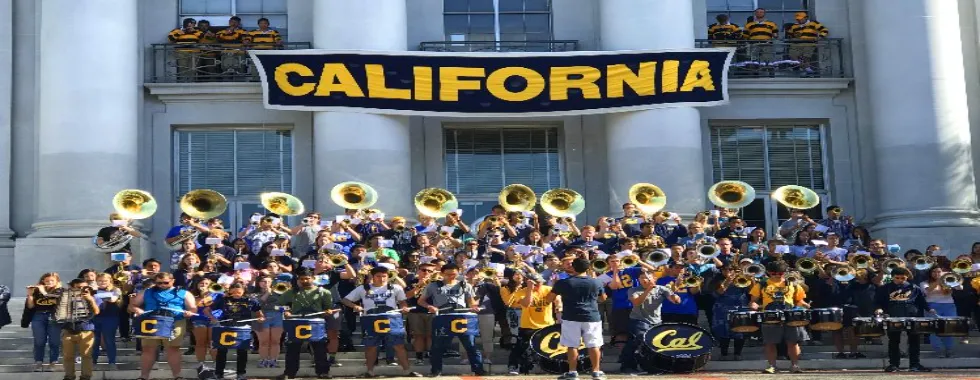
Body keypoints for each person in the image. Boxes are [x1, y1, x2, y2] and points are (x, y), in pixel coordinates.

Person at [341, 266, 423, 377]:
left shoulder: (396, 287)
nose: (381, 279)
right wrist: (355, 306)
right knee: (371, 346)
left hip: (392, 319)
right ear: (372, 276)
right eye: (378, 276)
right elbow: (345, 300)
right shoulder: (363, 288)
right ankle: (369, 371)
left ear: (388, 277)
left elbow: (402, 302)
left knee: (399, 345)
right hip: (370, 319)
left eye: (384, 276)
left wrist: (404, 308)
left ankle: (407, 371)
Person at [418, 263, 486, 376]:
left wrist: (474, 307)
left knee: (470, 344)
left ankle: (478, 369)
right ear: (442, 274)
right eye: (448, 274)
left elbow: (471, 303)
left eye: (454, 274)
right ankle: (436, 370)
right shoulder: (433, 285)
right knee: (438, 346)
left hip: (462, 317)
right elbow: (421, 301)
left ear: (458, 273)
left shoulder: (465, 285)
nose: (451, 277)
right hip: (443, 317)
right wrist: (429, 306)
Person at [545, 257, 607, 380]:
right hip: (592, 316)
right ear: (588, 268)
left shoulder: (564, 282)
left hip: (571, 316)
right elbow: (603, 298)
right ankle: (596, 372)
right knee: (594, 344)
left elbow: (549, 299)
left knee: (572, 345)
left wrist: (555, 286)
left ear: (573, 267)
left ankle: (573, 372)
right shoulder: (596, 282)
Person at [128, 272, 198, 380]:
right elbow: (133, 305)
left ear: (172, 281)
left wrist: (189, 312)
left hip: (175, 322)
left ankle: (177, 376)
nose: (162, 285)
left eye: (165, 282)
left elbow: (193, 308)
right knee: (148, 349)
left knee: (173, 349)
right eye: (159, 283)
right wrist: (138, 310)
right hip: (151, 322)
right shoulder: (147, 292)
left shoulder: (183, 292)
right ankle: (143, 376)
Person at [749, 261, 808, 374]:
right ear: (768, 273)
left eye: (780, 273)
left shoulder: (793, 284)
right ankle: (772, 366)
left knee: (793, 342)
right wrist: (753, 305)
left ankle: (795, 365)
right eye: (773, 273)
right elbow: (753, 301)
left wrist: (805, 305)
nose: (776, 275)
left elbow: (799, 300)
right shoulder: (761, 284)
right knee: (770, 342)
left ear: (785, 273)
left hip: (790, 315)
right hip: (769, 315)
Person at [275, 267, 334, 380]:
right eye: (302, 279)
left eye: (307, 278)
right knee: (293, 348)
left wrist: (328, 311)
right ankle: (289, 373)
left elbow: (328, 308)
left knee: (319, 348)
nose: (304, 281)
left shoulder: (323, 292)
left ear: (313, 278)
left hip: (316, 322)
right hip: (296, 322)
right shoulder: (291, 292)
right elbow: (278, 305)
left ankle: (323, 372)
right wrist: (286, 310)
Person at [873, 266, 933, 372]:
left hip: (912, 316)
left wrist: (929, 309)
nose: (900, 280)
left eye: (903, 278)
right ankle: (893, 364)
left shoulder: (914, 288)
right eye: (897, 278)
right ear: (892, 277)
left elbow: (921, 301)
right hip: (893, 316)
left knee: (914, 341)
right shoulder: (885, 288)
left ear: (906, 277)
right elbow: (878, 302)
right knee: (894, 341)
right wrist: (878, 309)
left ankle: (915, 364)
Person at [619, 270, 680, 374]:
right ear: (638, 280)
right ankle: (627, 366)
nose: (644, 280)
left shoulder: (662, 289)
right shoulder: (633, 290)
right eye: (642, 278)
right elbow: (637, 302)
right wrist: (648, 290)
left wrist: (675, 295)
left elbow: (676, 301)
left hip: (656, 322)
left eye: (647, 277)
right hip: (638, 320)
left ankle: (652, 367)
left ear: (654, 279)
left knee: (655, 345)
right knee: (635, 342)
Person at [205, 282, 264, 380]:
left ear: (243, 291)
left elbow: (260, 314)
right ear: (230, 291)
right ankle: (219, 374)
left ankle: (241, 374)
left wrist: (260, 318)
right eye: (234, 292)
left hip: (243, 328)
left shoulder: (250, 300)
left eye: (239, 292)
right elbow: (206, 310)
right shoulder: (223, 300)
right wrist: (213, 318)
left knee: (242, 351)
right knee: (221, 351)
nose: (236, 294)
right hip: (225, 328)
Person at [58, 279, 102, 380]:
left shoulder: (94, 297)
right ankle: (69, 376)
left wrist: (90, 299)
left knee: (86, 355)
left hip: (86, 329)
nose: (81, 289)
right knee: (68, 356)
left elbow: (96, 311)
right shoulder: (65, 298)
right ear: (72, 287)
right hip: (68, 329)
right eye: (78, 287)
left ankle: (86, 376)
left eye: (84, 287)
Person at [26, 272, 63, 372]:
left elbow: (57, 300)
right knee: (39, 341)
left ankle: (53, 362)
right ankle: (38, 362)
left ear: (57, 281)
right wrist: (30, 294)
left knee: (54, 341)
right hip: (39, 315)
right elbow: (30, 306)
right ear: (43, 281)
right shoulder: (37, 291)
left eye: (52, 280)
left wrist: (44, 292)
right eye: (47, 281)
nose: (49, 282)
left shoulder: (60, 290)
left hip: (54, 316)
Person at [92, 273, 123, 369]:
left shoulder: (115, 290)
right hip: (95, 317)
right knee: (94, 341)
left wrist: (96, 296)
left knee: (109, 340)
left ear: (110, 281)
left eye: (105, 281)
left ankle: (112, 362)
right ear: (96, 281)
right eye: (100, 281)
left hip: (110, 317)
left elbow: (113, 299)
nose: (102, 283)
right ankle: (93, 362)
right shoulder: (93, 290)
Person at [254, 275, 284, 368]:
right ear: (259, 283)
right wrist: (267, 293)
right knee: (264, 341)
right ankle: (264, 360)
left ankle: (273, 360)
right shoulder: (254, 294)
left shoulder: (279, 293)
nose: (266, 283)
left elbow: (286, 306)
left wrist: (279, 308)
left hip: (277, 317)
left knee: (275, 341)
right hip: (261, 317)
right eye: (263, 281)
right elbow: (257, 304)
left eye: (268, 281)